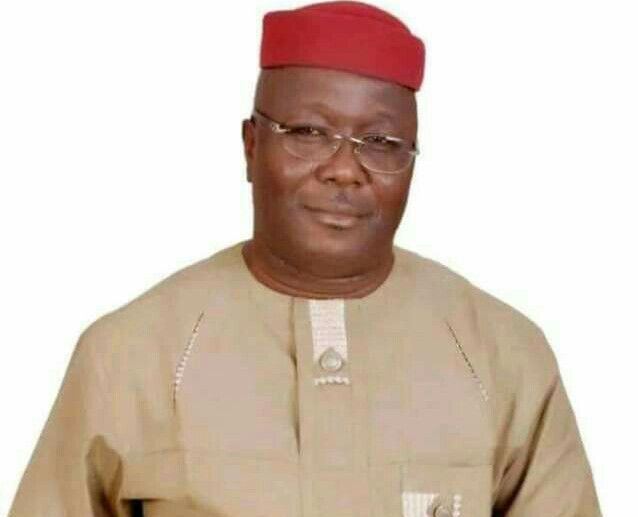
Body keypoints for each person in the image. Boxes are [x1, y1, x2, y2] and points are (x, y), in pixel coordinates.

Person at [7, 1, 603, 516]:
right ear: (251, 146)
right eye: (309, 132)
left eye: (381, 143)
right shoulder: (131, 356)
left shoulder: (502, 359)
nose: (344, 169)